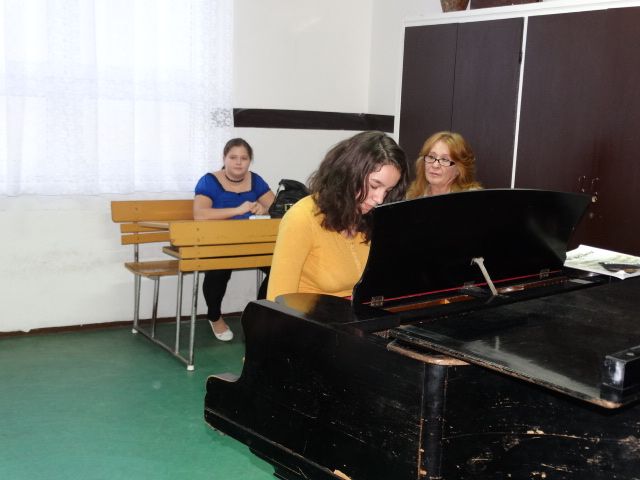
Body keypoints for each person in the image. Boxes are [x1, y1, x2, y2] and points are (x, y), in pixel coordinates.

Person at [266, 131, 410, 302]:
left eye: (388, 190)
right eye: (374, 185)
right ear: (348, 174)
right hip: (314, 317)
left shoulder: (373, 217)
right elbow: (277, 300)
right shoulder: (302, 218)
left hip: (357, 314)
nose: (379, 199)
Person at [193, 138, 275, 341]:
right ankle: (214, 317)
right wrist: (237, 210)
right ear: (224, 158)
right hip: (218, 243)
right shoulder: (209, 181)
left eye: (244, 158)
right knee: (218, 270)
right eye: (233, 157)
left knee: (279, 269)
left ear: (249, 161)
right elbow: (200, 214)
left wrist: (263, 209)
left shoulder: (256, 180)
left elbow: (276, 207)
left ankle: (259, 313)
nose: (238, 162)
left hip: (251, 242)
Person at [406, 131, 482, 199]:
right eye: (431, 157)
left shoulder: (472, 199)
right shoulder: (413, 196)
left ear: (459, 169)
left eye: (445, 160)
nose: (435, 165)